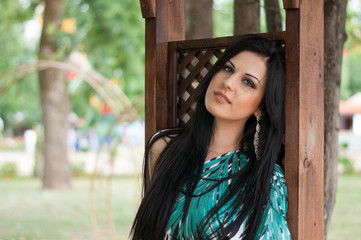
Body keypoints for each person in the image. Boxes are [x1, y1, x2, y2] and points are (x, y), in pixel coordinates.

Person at [131, 36, 291, 240]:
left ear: (261, 106)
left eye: (248, 82)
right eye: (228, 69)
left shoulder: (266, 180)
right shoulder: (164, 147)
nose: (228, 83)